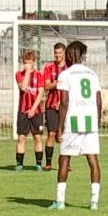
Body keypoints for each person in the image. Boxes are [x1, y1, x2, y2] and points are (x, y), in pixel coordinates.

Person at [48, 41, 102, 210]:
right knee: (92, 159)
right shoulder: (92, 74)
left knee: (64, 158)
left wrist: (59, 128)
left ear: (70, 55)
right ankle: (94, 202)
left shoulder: (66, 75)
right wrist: (97, 122)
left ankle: (60, 201)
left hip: (73, 121)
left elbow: (64, 103)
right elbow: (99, 101)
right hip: (90, 122)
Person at [14, 49, 46, 171]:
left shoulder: (40, 75)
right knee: (21, 138)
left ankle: (38, 164)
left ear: (34, 62)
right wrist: (27, 72)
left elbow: (40, 93)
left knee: (37, 137)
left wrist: (33, 109)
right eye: (25, 62)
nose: (27, 64)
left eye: (29, 62)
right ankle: (19, 164)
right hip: (22, 111)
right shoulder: (19, 74)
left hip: (37, 112)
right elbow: (23, 88)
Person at [41, 42, 68, 171]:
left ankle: (66, 163)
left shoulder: (69, 68)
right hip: (51, 105)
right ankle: (48, 163)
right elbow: (46, 85)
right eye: (55, 53)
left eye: (60, 53)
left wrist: (63, 101)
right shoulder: (49, 67)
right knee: (51, 134)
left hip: (66, 106)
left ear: (64, 53)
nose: (57, 55)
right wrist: (58, 82)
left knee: (65, 135)